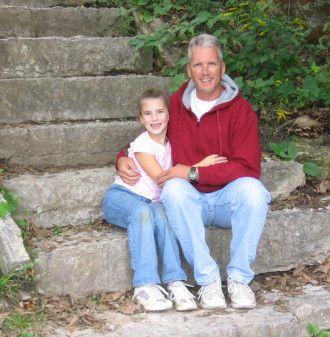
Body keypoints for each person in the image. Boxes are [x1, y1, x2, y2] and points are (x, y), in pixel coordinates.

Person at [117, 34, 271, 310]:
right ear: (189, 71)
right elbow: (148, 138)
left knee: (254, 191)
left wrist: (193, 173)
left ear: (223, 68)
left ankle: (238, 279)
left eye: (211, 64)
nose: (205, 71)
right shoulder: (175, 105)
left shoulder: (241, 110)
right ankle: (209, 280)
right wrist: (120, 158)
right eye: (198, 65)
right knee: (173, 189)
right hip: (189, 203)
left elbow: (248, 168)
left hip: (225, 199)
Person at [103, 88, 227, 312]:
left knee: (165, 215)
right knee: (143, 213)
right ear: (140, 119)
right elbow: (162, 179)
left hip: (151, 204)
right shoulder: (143, 144)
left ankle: (175, 281)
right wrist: (200, 166)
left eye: (159, 112)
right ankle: (145, 285)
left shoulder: (173, 144)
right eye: (148, 114)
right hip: (122, 198)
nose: (154, 118)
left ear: (169, 115)